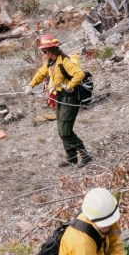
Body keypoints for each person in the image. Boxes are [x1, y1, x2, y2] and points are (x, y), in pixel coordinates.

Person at [28, 35, 92, 167]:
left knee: (65, 130)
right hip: (60, 97)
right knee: (61, 128)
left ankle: (85, 155)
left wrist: (69, 86)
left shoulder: (64, 61)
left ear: (49, 51)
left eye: (43, 51)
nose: (42, 54)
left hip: (71, 97)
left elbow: (79, 73)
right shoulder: (50, 63)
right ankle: (72, 157)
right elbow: (41, 73)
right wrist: (30, 85)